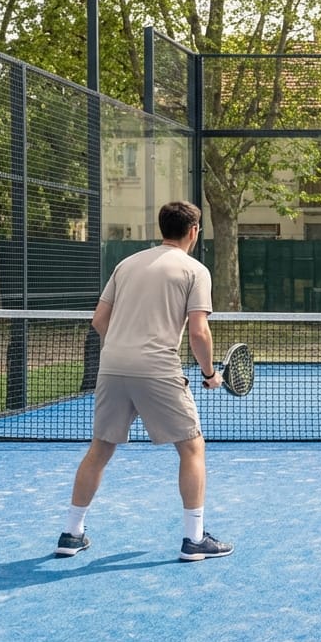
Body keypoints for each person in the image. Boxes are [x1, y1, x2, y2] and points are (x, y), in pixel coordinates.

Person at [55, 201, 234, 562]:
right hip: (157, 368)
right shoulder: (195, 270)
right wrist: (209, 374)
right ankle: (194, 540)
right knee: (192, 448)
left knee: (100, 449)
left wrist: (125, 347)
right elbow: (199, 332)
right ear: (194, 232)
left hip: (112, 366)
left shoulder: (126, 264)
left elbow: (99, 320)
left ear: (162, 228)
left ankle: (71, 535)